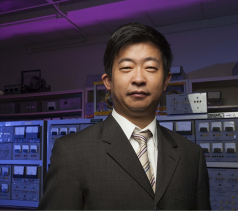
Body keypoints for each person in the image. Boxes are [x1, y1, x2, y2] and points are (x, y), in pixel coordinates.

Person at [38, 22, 211, 210]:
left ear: (166, 81)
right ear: (108, 81)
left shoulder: (191, 155)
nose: (138, 79)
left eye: (151, 68)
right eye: (127, 67)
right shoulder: (71, 153)